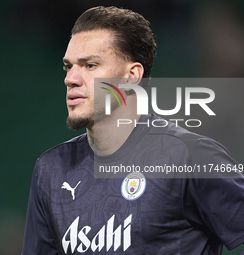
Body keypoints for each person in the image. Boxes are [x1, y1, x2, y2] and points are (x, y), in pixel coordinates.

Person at [22, 6, 244, 255]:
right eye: (68, 66)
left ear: (131, 76)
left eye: (90, 65)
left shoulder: (189, 156)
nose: (71, 78)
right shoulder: (51, 168)